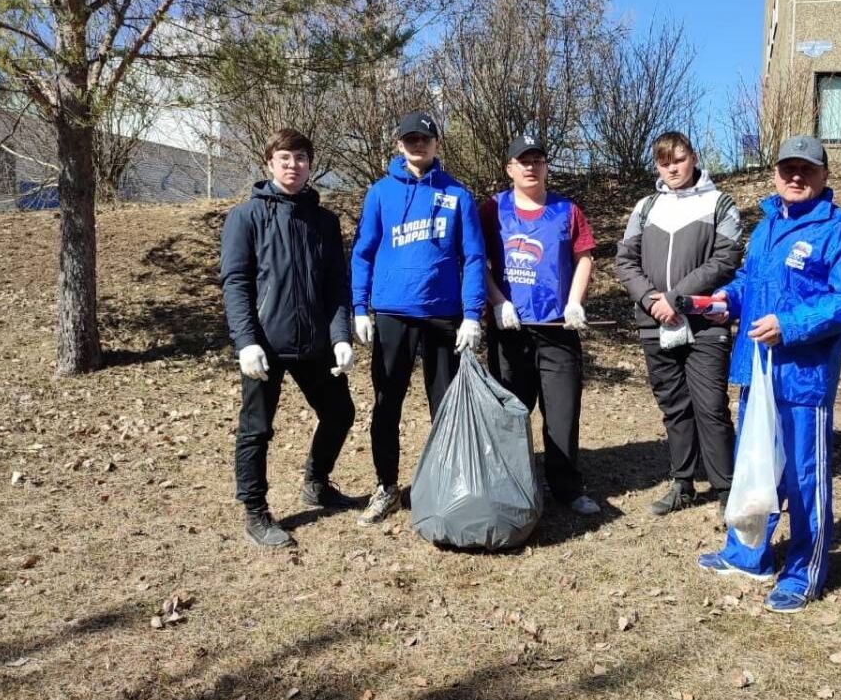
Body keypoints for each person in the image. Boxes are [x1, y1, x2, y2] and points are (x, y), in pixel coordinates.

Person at [696, 135, 841, 614]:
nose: (796, 177)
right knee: (755, 467)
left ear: (824, 175)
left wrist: (790, 326)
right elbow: (752, 282)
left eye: (807, 170)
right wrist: (725, 302)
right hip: (758, 371)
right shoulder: (768, 226)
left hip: (804, 378)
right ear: (775, 173)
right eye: (788, 169)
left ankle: (803, 573)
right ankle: (746, 553)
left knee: (803, 478)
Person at [220, 128, 357, 549]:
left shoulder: (324, 221)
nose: (293, 165)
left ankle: (316, 483)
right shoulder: (246, 216)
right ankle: (256, 511)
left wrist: (340, 336)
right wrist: (246, 342)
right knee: (256, 430)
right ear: (269, 164)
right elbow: (236, 282)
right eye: (284, 157)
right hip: (266, 344)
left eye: (300, 157)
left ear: (310, 165)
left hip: (315, 341)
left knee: (340, 413)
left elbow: (336, 284)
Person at [351, 112, 487, 525]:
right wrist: (360, 307)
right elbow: (363, 251)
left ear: (436, 143)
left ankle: (445, 486)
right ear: (398, 145)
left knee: (445, 407)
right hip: (393, 314)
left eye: (424, 139)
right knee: (386, 404)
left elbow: (475, 256)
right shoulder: (380, 194)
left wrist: (472, 315)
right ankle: (386, 486)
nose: (417, 145)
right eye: (410, 140)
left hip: (444, 317)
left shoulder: (458, 195)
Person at [615, 132, 743, 517]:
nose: (672, 168)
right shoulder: (646, 206)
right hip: (655, 322)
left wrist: (677, 300)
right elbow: (625, 260)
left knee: (711, 407)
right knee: (673, 405)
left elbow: (725, 259)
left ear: (693, 158)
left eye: (679, 159)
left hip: (704, 321)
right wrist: (651, 299)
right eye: (663, 162)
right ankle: (682, 483)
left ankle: (726, 489)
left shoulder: (720, 204)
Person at [481, 134, 600, 516]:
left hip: (557, 331)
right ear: (510, 169)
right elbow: (474, 261)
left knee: (562, 415)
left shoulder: (567, 210)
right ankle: (510, 484)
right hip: (511, 331)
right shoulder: (492, 209)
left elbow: (585, 256)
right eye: (523, 161)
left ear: (546, 167)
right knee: (510, 413)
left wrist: (575, 303)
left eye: (538, 160)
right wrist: (497, 302)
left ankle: (566, 487)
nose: (531, 167)